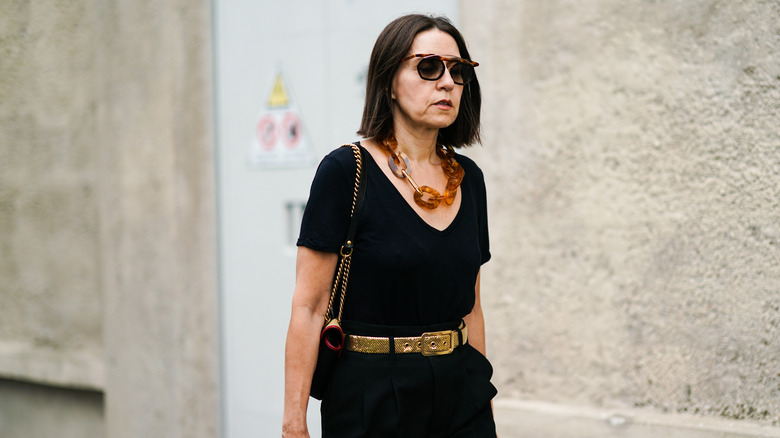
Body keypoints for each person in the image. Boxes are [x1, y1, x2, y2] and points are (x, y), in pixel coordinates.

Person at [283, 14, 496, 438]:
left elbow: (471, 305)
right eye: (429, 66)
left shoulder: (469, 178)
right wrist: (294, 424)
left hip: (459, 390)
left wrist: (483, 403)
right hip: (372, 393)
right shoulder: (345, 170)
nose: (448, 82)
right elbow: (309, 307)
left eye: (458, 71)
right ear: (388, 81)